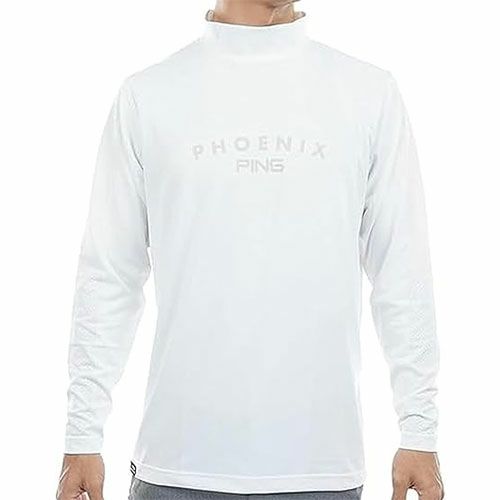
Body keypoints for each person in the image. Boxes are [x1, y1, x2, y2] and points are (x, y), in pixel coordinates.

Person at [57, 1, 444, 499]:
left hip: (320, 470)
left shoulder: (368, 93)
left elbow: (402, 271)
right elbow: (109, 274)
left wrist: (419, 429)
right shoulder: (149, 95)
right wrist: (82, 434)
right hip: (179, 468)